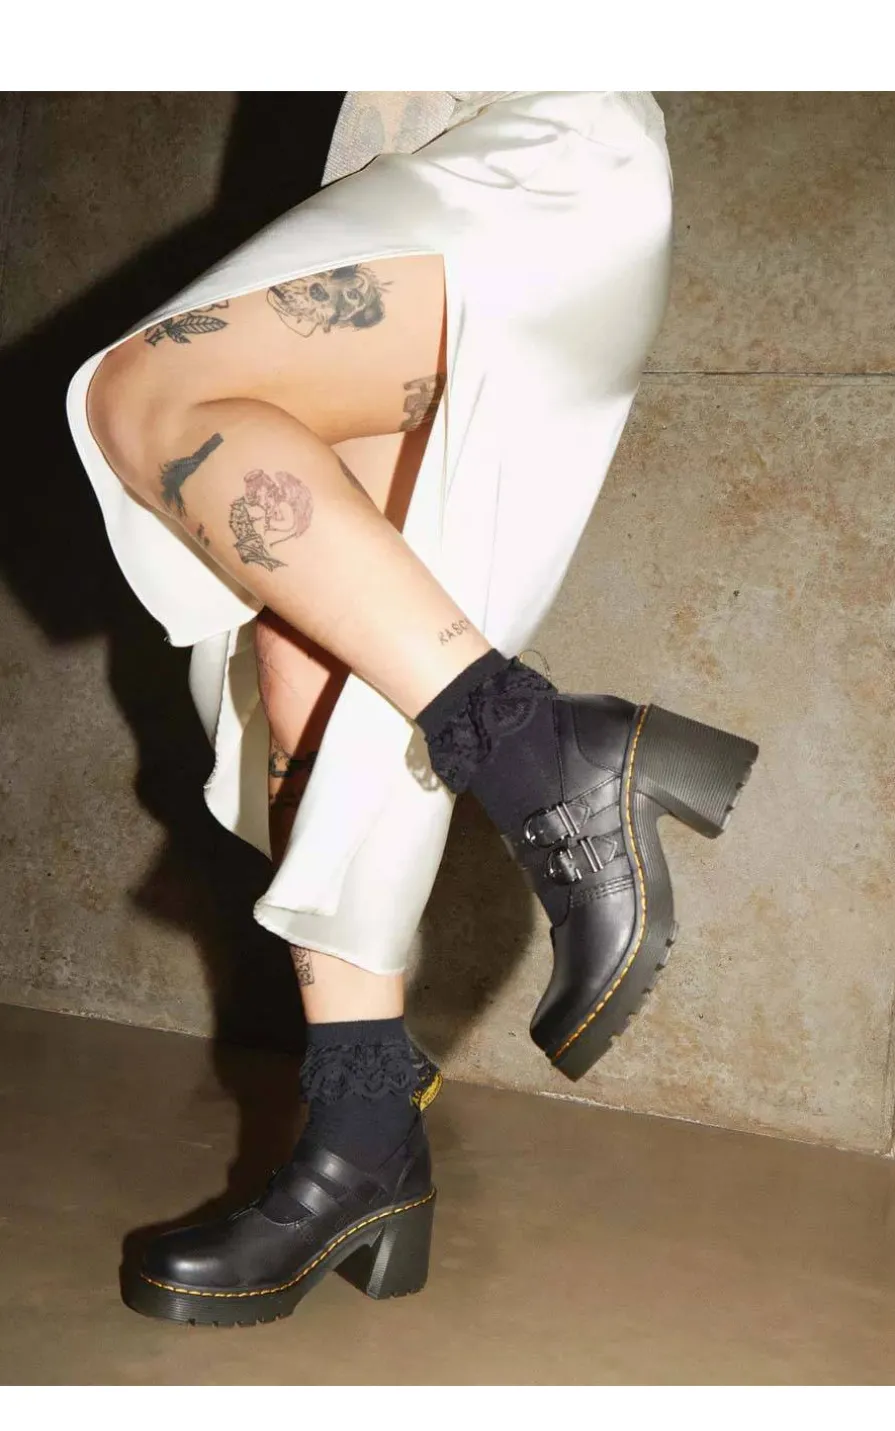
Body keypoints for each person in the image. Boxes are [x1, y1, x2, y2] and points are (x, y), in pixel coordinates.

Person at [68, 91, 758, 1326]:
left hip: (536, 145)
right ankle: (363, 1142)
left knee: (145, 397)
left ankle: (544, 752)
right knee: (309, 666)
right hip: (402, 190)